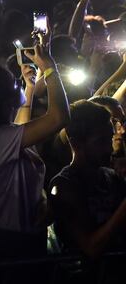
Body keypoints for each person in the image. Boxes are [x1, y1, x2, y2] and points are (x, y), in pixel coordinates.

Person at [0, 42, 69, 258]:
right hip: (9, 243)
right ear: (2, 101)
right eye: (14, 83)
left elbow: (20, 126)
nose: (17, 84)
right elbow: (59, 117)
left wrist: (29, 88)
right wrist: (50, 68)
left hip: (17, 235)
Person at [50, 100, 126, 257]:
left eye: (109, 138)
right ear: (76, 143)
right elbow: (90, 247)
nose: (109, 148)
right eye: (100, 142)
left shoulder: (111, 176)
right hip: (85, 277)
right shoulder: (64, 185)